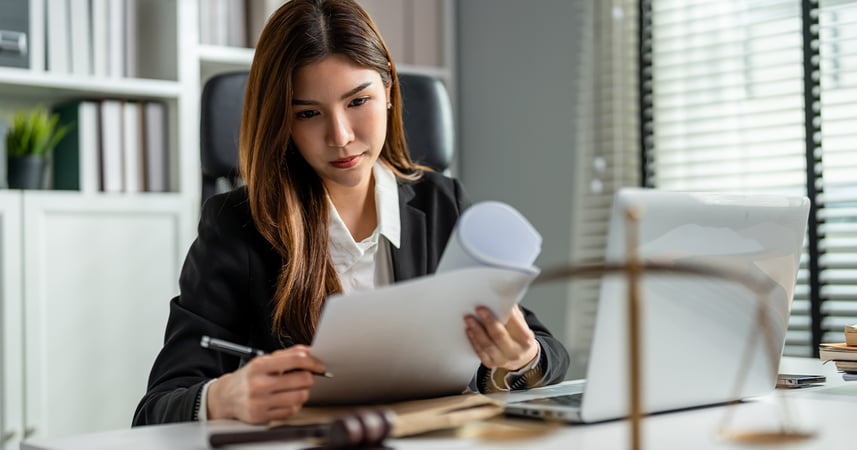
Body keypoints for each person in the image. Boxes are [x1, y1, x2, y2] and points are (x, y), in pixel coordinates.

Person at [133, 0, 569, 426]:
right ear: (282, 124)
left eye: (358, 102)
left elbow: (545, 353)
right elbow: (156, 407)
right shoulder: (237, 226)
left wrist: (519, 360)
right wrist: (223, 397)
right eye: (308, 113)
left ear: (389, 93)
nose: (340, 136)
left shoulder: (441, 203)